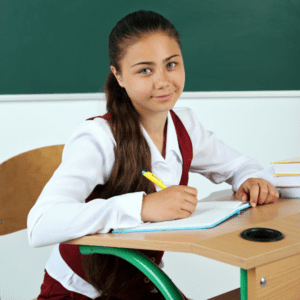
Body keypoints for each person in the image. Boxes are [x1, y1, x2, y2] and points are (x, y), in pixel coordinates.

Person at [28, 10, 279, 300]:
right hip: (79, 292)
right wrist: (143, 207)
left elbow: (240, 166)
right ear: (118, 76)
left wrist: (251, 179)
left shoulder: (184, 126)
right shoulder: (98, 137)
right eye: (145, 70)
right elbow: (40, 223)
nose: (163, 81)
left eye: (171, 64)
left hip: (141, 282)